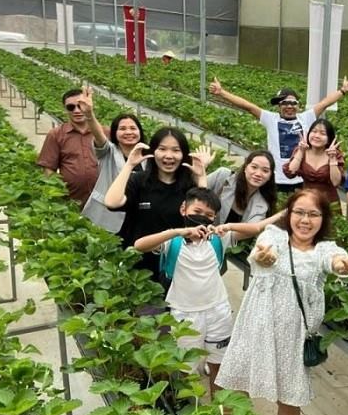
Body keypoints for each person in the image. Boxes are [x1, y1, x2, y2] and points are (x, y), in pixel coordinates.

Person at [215, 189, 348, 415]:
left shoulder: (324, 250)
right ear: (288, 214)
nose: (305, 220)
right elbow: (261, 254)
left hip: (294, 336)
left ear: (323, 219)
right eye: (299, 212)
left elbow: (337, 261)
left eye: (313, 214)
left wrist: (343, 265)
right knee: (236, 380)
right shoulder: (273, 237)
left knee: (290, 397)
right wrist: (264, 259)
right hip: (257, 325)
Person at [132, 188, 263, 396]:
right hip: (184, 315)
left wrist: (227, 226)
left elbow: (256, 228)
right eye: (197, 211)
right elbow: (139, 245)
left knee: (219, 366)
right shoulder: (172, 242)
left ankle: (220, 412)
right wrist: (178, 232)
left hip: (218, 310)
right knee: (187, 369)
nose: (202, 218)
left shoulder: (218, 239)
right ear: (183, 209)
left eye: (209, 215)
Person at [208, 77, 348, 192]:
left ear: (298, 105)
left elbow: (324, 103)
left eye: (292, 103)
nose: (289, 107)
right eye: (284, 103)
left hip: (300, 178)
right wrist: (222, 93)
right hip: (275, 178)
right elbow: (248, 106)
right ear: (279, 106)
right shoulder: (270, 118)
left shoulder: (306, 118)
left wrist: (343, 90)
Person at [104, 127, 213, 281]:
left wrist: (201, 175)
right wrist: (129, 165)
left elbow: (203, 215)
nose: (169, 155)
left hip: (176, 263)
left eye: (176, 150)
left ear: (183, 155)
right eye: (162, 149)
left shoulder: (189, 186)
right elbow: (111, 202)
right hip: (139, 264)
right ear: (152, 152)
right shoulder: (139, 181)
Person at [75, 87, 145, 233]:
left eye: (133, 128)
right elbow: (99, 135)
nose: (128, 132)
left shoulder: (148, 156)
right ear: (115, 133)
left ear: (140, 132)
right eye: (123, 129)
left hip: (140, 217)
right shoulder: (109, 152)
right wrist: (89, 114)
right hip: (108, 217)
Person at [36, 88, 100, 205]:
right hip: (71, 201)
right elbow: (48, 169)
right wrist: (58, 195)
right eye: (71, 107)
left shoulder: (104, 133)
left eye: (81, 106)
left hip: (104, 201)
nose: (76, 110)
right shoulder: (56, 134)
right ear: (65, 109)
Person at [207, 150, 279, 225]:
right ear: (245, 167)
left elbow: (252, 228)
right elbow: (197, 194)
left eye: (265, 171)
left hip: (227, 236)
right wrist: (201, 171)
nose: (258, 174)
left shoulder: (263, 204)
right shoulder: (222, 176)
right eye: (254, 167)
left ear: (270, 176)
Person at [283, 118, 345, 205]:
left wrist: (332, 159)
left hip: (329, 202)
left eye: (322, 133)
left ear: (329, 138)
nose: (316, 136)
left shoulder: (334, 154)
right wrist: (301, 151)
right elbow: (290, 173)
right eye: (314, 131)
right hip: (306, 199)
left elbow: (336, 182)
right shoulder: (301, 150)